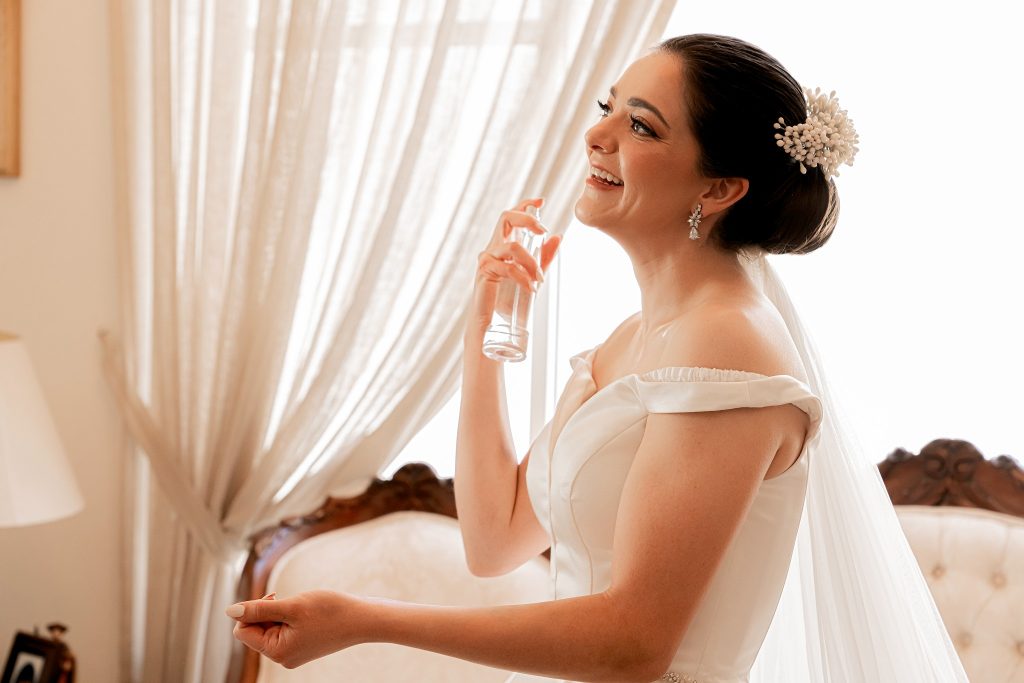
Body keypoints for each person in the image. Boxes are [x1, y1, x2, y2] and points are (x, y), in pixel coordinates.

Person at [228, 34, 969, 682]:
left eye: (641, 125)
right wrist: (480, 331)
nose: (596, 135)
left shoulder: (729, 344)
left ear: (719, 188)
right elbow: (496, 541)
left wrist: (364, 619)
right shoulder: (631, 340)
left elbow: (635, 645)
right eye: (606, 105)